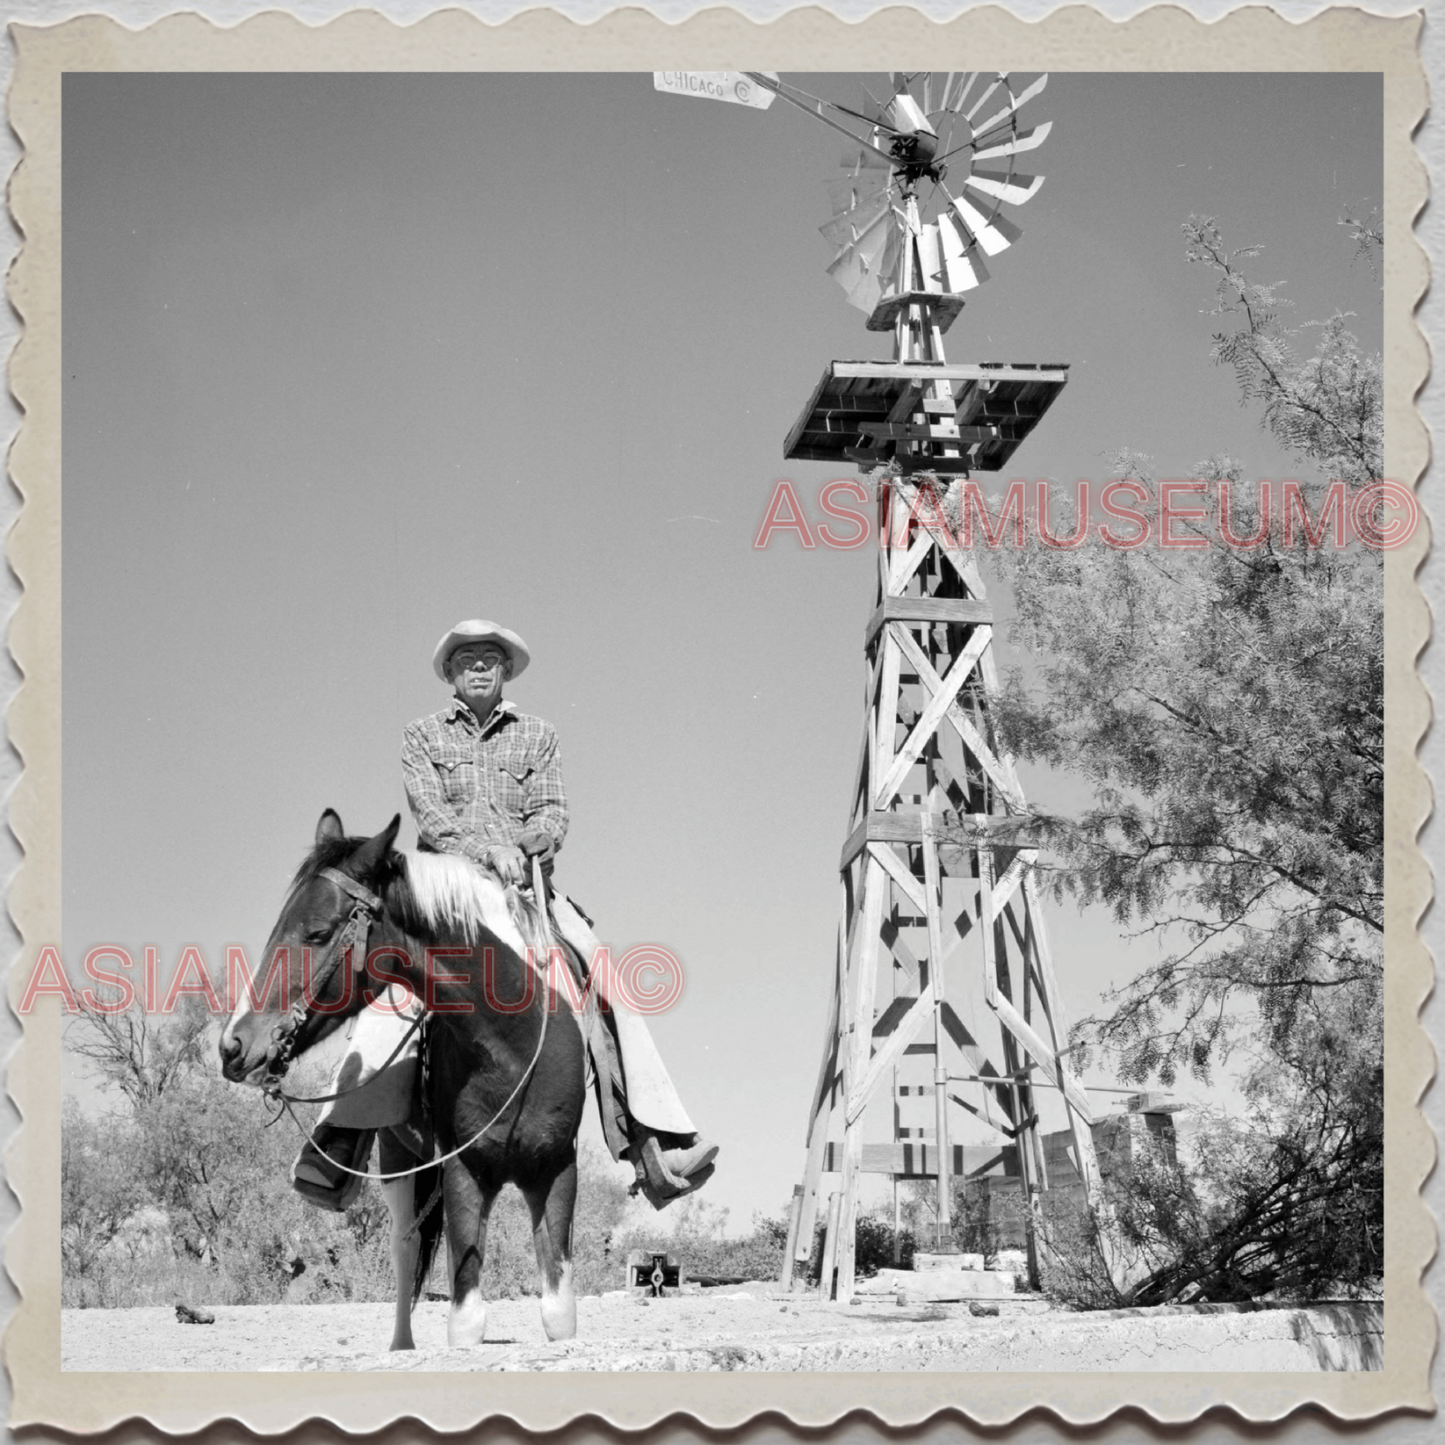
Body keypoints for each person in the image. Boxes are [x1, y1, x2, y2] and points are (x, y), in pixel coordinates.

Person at [290, 619, 718, 1212]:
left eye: (491, 657)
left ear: (506, 670)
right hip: (445, 895)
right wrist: (486, 851)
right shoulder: (422, 737)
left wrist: (537, 841)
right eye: (467, 659)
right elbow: (432, 816)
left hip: (526, 889)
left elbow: (552, 807)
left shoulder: (538, 735)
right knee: (391, 990)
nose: (480, 666)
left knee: (602, 975)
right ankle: (342, 1137)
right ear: (450, 673)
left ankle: (655, 1141)